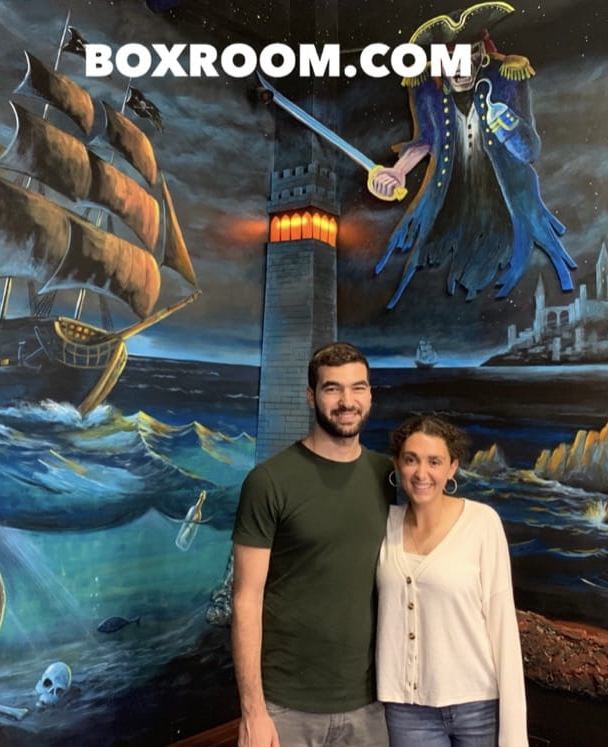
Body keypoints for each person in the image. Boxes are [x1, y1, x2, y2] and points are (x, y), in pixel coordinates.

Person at [232, 341, 395, 746]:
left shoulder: (388, 477)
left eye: (358, 388)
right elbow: (246, 599)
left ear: (370, 395)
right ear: (311, 396)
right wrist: (253, 711)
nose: (347, 401)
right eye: (332, 388)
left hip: (372, 704)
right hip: (285, 707)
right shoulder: (269, 482)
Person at [368, 2, 576, 309]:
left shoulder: (508, 74)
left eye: (470, 58)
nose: (461, 71)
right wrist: (398, 171)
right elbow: (426, 139)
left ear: (482, 52)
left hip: (506, 198)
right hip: (451, 196)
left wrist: (507, 125)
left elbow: (530, 150)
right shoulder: (425, 87)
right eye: (452, 62)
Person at [377, 415, 528, 747]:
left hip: (478, 707)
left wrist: (514, 735)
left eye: (434, 462)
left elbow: (502, 625)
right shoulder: (383, 525)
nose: (422, 473)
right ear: (397, 464)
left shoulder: (482, 523)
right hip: (407, 711)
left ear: (452, 468)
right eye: (411, 460)